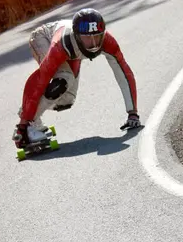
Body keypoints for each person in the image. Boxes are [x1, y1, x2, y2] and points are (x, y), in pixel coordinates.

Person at [12, 8, 142, 148]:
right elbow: (40, 80)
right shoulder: (61, 44)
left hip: (72, 53)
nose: (93, 43)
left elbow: (123, 73)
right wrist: (23, 125)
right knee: (63, 80)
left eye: (97, 36)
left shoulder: (108, 41)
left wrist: (133, 113)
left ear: (103, 33)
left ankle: (32, 115)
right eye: (87, 38)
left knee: (66, 100)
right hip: (44, 38)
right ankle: (30, 124)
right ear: (77, 36)